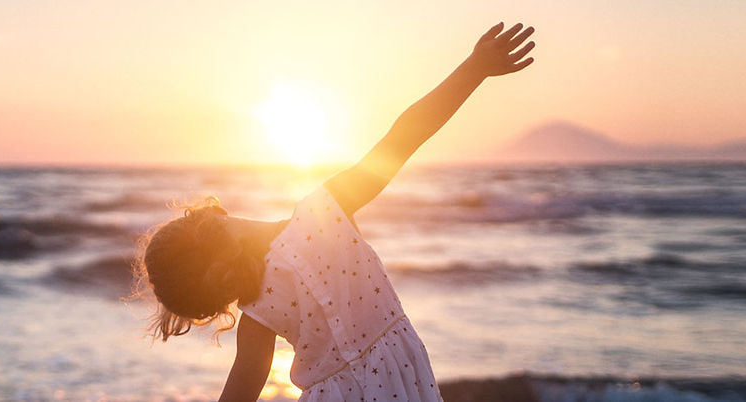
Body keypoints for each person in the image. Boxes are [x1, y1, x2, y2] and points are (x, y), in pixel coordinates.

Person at [132, 22, 537, 401]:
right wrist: (472, 70)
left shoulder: (256, 313)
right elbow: (402, 138)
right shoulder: (321, 214)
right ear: (211, 217)